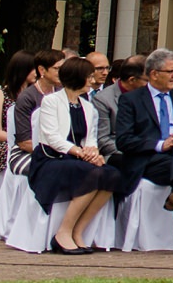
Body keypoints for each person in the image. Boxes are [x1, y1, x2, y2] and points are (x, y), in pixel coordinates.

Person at [29, 56, 128, 253]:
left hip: (77, 158)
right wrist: (80, 152)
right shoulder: (51, 101)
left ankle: (78, 230)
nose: (92, 80)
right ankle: (63, 232)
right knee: (92, 174)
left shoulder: (88, 107)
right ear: (77, 77)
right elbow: (52, 137)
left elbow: (90, 138)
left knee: (112, 174)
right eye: (89, 76)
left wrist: (93, 154)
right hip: (52, 158)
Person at [114, 48, 173, 255]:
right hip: (149, 160)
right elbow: (124, 141)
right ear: (154, 74)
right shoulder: (132, 100)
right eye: (170, 71)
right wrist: (161, 144)